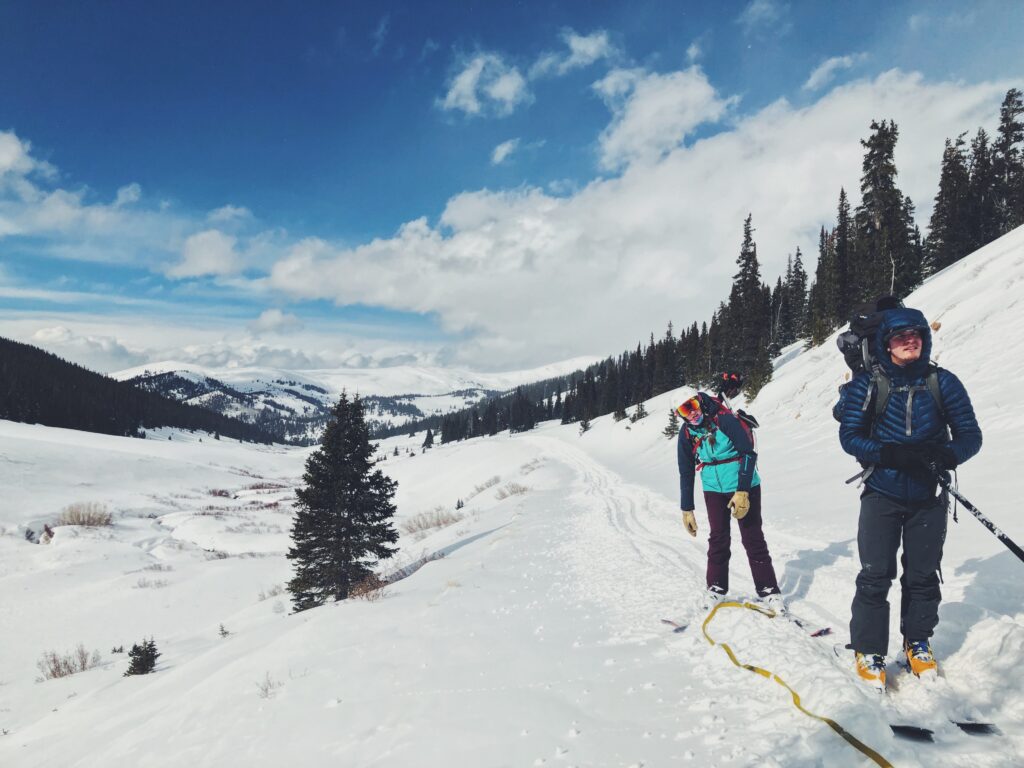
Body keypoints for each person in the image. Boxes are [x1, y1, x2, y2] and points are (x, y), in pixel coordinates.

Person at [839, 306, 981, 689]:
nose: (910, 341)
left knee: (922, 576)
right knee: (875, 575)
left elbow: (970, 434)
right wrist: (888, 454)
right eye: (901, 337)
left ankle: (917, 642)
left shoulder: (943, 382)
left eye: (916, 334)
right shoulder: (869, 383)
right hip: (882, 492)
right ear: (887, 343)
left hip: (929, 495)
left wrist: (946, 456)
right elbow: (850, 435)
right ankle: (869, 648)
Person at [677, 391, 783, 611]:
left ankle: (769, 591)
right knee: (718, 538)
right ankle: (716, 588)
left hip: (743, 485)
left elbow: (748, 453)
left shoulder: (723, 420)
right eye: (684, 410)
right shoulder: (686, 433)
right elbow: (686, 471)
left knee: (752, 537)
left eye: (693, 405)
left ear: (700, 401)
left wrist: (742, 491)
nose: (692, 413)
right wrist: (687, 509)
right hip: (713, 488)